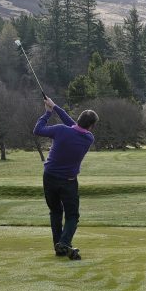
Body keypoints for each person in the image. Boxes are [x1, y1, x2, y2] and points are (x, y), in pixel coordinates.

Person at [33, 97, 98, 260]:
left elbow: (38, 129)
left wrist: (48, 112)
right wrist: (55, 107)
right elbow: (74, 127)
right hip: (68, 181)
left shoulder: (61, 130)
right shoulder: (88, 138)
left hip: (49, 177)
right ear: (90, 126)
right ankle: (64, 242)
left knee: (55, 211)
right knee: (72, 216)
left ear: (78, 120)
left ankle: (60, 247)